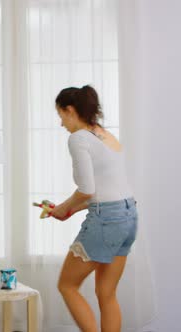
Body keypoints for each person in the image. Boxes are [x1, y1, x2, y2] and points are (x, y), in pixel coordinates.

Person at [52, 85, 138, 332]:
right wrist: (68, 210)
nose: (61, 123)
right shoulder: (104, 134)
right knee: (106, 292)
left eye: (61, 115)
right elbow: (107, 191)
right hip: (128, 215)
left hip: (107, 219)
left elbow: (88, 189)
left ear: (70, 110)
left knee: (67, 286)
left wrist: (65, 207)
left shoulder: (78, 138)